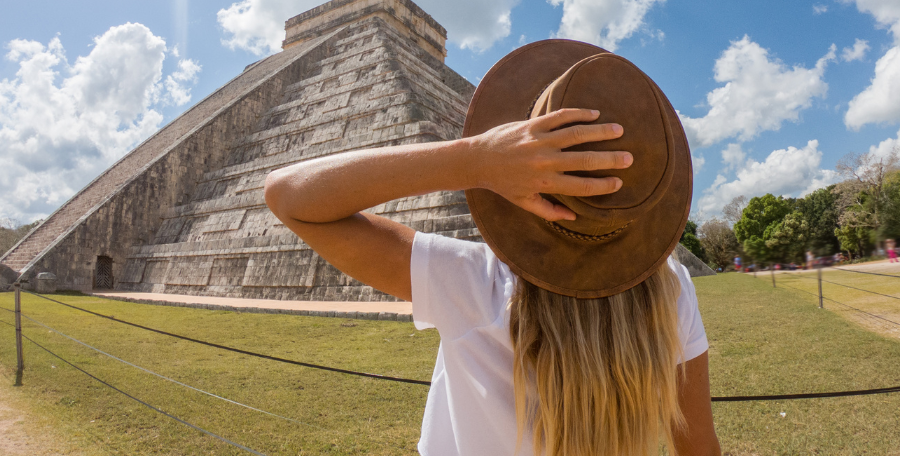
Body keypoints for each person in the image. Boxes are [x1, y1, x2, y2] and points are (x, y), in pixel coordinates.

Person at [265, 40, 720, 456]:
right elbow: (699, 448)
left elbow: (288, 196)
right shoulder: (671, 290)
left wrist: (476, 159)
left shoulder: (473, 282)